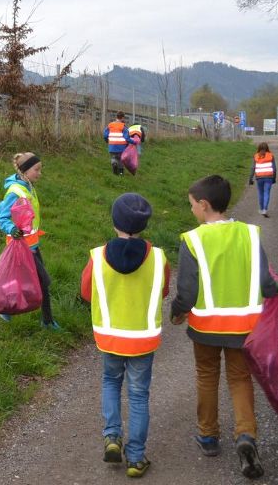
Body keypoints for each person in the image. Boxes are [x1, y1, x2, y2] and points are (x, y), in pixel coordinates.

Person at [169, 175, 278, 480]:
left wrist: (177, 312)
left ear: (204, 205)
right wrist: (277, 297)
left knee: (206, 377)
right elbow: (266, 283)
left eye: (192, 205)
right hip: (244, 328)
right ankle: (245, 436)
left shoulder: (192, 240)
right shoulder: (249, 234)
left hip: (205, 327)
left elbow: (187, 292)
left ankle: (208, 437)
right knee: (241, 379)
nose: (191, 210)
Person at [80, 193, 170, 478]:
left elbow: (85, 292)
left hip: (110, 338)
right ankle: (136, 457)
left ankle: (112, 438)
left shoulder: (97, 256)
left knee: (110, 382)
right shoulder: (158, 257)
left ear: (114, 220)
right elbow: (165, 289)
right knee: (139, 395)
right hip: (143, 339)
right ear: (144, 223)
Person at [0, 152, 60, 329]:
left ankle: (43, 319)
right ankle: (43, 319)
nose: (40, 173)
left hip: (32, 244)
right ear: (25, 171)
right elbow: (2, 218)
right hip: (21, 246)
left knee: (30, 281)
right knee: (42, 282)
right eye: (36, 169)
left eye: (40, 169)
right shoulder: (16, 191)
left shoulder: (28, 186)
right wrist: (12, 229)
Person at [248, 142, 276, 217]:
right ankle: (265, 210)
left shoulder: (256, 156)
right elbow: (274, 168)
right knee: (267, 193)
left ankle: (261, 209)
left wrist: (250, 179)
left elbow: (253, 168)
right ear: (267, 148)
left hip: (259, 178)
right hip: (269, 177)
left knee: (261, 193)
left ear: (259, 148)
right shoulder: (271, 156)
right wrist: (274, 178)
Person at [104, 111, 134, 175]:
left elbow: (105, 135)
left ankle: (114, 164)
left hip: (112, 146)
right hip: (121, 147)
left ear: (116, 117)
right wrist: (134, 142)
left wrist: (107, 141)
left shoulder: (110, 125)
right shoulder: (123, 126)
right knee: (121, 160)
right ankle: (121, 173)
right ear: (122, 118)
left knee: (113, 157)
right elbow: (127, 138)